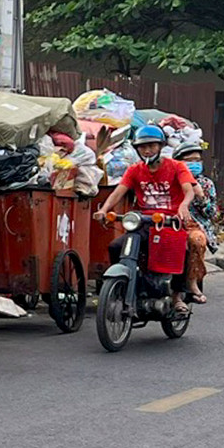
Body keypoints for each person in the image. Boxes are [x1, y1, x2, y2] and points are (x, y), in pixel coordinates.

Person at [94, 125, 197, 313]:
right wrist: (105, 210)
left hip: (170, 224)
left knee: (182, 250)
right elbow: (118, 192)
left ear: (160, 146)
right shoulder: (134, 170)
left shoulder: (176, 166)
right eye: (142, 147)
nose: (147, 150)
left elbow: (188, 190)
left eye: (151, 146)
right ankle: (127, 284)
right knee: (115, 247)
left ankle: (176, 296)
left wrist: (183, 205)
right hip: (143, 223)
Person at [174, 142, 213, 305]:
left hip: (195, 225)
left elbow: (212, 213)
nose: (194, 164)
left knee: (196, 240)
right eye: (189, 160)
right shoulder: (171, 179)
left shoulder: (205, 184)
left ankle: (191, 283)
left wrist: (201, 198)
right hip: (170, 222)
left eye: (197, 160)